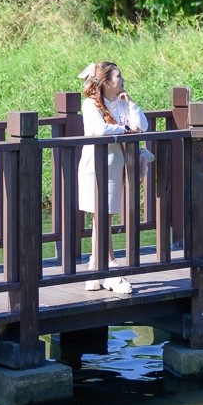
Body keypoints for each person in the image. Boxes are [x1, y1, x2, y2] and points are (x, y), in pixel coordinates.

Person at [77, 61, 149, 294]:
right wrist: (125, 130)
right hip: (96, 166)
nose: (123, 79)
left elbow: (142, 126)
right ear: (106, 82)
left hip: (114, 166)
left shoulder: (119, 102)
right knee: (102, 218)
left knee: (103, 219)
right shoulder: (90, 104)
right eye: (119, 76)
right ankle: (110, 269)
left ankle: (95, 267)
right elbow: (98, 129)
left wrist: (131, 104)